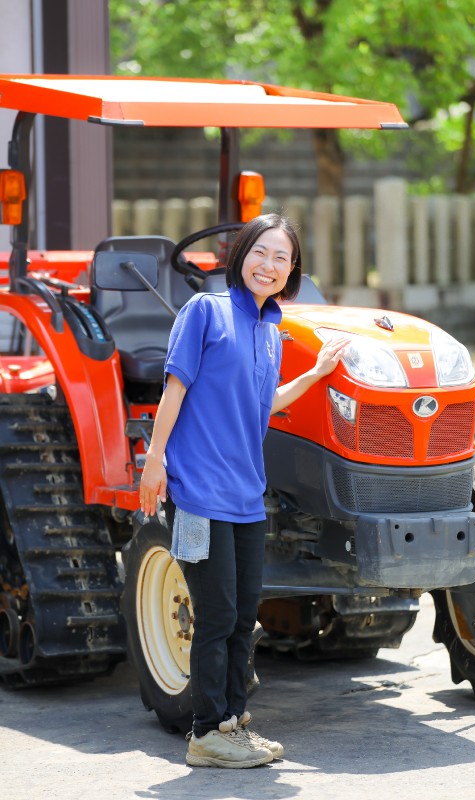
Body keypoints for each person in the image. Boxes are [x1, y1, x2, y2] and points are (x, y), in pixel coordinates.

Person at [139, 213, 348, 769]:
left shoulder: (269, 332)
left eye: (282, 258)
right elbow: (175, 387)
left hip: (246, 497)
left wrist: (315, 375)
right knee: (215, 614)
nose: (269, 265)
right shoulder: (205, 311)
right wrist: (154, 461)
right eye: (261, 252)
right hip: (200, 492)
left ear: (291, 272)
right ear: (241, 255)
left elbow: (265, 403)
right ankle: (206, 733)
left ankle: (233, 722)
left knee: (241, 617)